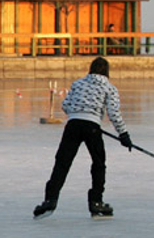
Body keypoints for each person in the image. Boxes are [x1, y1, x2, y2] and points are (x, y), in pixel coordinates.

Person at [34, 57, 133, 220]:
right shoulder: (110, 88)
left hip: (73, 125)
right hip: (92, 127)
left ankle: (49, 200)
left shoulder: (78, 84)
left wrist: (78, 114)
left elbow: (65, 105)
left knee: (62, 162)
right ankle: (96, 202)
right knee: (98, 163)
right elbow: (114, 114)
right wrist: (124, 134)